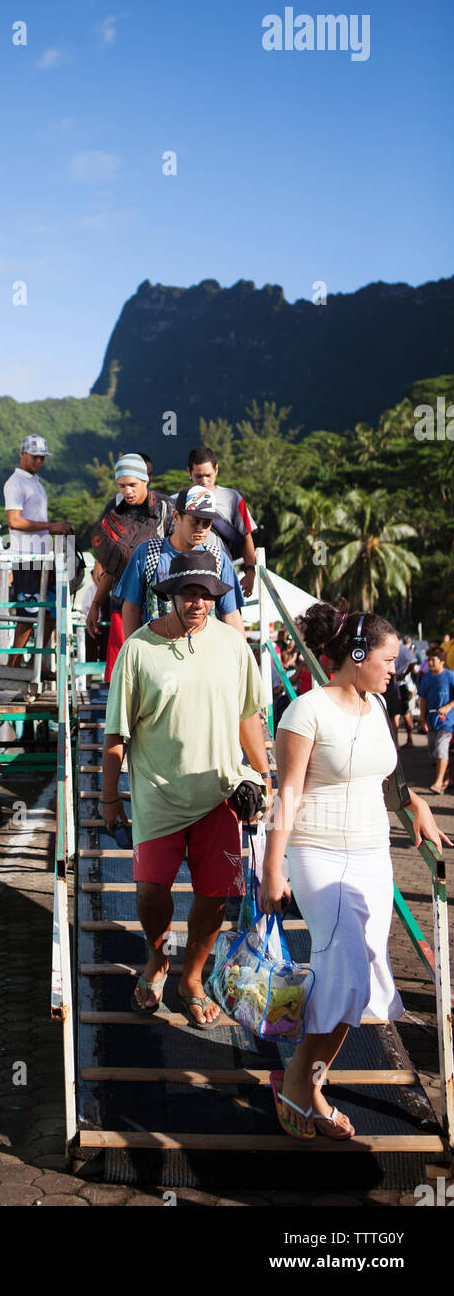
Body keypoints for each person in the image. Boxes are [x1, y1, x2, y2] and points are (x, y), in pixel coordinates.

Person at [260, 604, 450, 1141]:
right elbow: (289, 793)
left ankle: (312, 1080)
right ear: (358, 654)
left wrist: (417, 806)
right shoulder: (306, 712)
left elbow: (385, 776)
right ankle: (297, 1080)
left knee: (362, 980)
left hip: (371, 855)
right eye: (388, 658)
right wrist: (273, 865)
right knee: (343, 970)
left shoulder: (377, 705)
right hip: (319, 854)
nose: (397, 667)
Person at [100, 551, 271, 1027]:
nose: (198, 602)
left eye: (206, 594)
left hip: (218, 790)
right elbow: (117, 732)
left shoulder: (234, 646)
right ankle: (157, 960)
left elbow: (247, 717)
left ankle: (191, 977)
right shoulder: (138, 648)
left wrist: (264, 775)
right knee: (149, 892)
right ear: (170, 596)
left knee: (215, 895)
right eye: (188, 593)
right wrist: (108, 796)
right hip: (156, 792)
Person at [116, 485, 246, 641]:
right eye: (195, 521)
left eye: (207, 523)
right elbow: (131, 608)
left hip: (205, 652)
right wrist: (132, 648)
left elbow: (230, 613)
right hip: (157, 648)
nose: (201, 529)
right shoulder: (148, 553)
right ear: (176, 517)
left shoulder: (218, 558)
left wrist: (242, 659)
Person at [87, 453, 174, 681]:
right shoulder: (114, 515)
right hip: (122, 605)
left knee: (160, 673)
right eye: (122, 485)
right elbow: (110, 567)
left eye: (132, 485)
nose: (127, 491)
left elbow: (183, 555)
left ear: (145, 480)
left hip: (162, 607)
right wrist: (96, 604)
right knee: (123, 676)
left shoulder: (168, 510)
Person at [3, 435, 71, 667]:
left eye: (42, 457)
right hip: (25, 557)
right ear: (22, 454)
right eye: (35, 457)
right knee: (28, 613)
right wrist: (51, 527)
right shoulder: (15, 483)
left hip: (40, 558)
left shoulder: (35, 482)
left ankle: (35, 663)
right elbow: (14, 521)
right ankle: (13, 663)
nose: (39, 461)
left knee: (47, 611)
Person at [178, 446, 257, 598]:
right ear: (189, 472)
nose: (204, 481)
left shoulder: (232, 498)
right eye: (198, 476)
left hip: (223, 574)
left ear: (216, 469)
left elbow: (246, 536)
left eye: (208, 475)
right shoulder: (179, 500)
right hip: (187, 577)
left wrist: (250, 573)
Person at [418, 647, 454, 795]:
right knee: (433, 751)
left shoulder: (450, 675)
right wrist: (422, 718)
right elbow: (423, 698)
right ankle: (447, 777)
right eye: (429, 660)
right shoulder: (426, 677)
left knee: (440, 748)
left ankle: (438, 783)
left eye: (433, 660)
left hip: (447, 721)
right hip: (431, 720)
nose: (430, 662)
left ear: (442, 662)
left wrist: (448, 706)